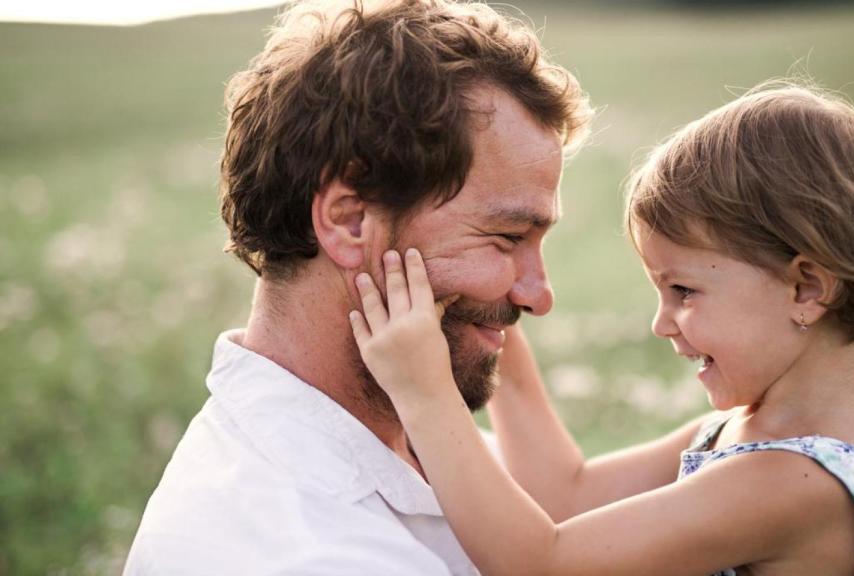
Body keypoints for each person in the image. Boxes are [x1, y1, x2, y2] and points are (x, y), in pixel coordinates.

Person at [350, 82, 854, 575]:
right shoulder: (737, 432)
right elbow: (564, 495)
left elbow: (542, 564)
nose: (661, 322)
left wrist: (425, 391)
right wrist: (492, 316)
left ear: (806, 289)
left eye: (684, 291)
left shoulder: (794, 483)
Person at [123, 0, 591, 573]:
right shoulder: (302, 551)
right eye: (506, 236)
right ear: (350, 222)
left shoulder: (421, 442)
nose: (538, 295)